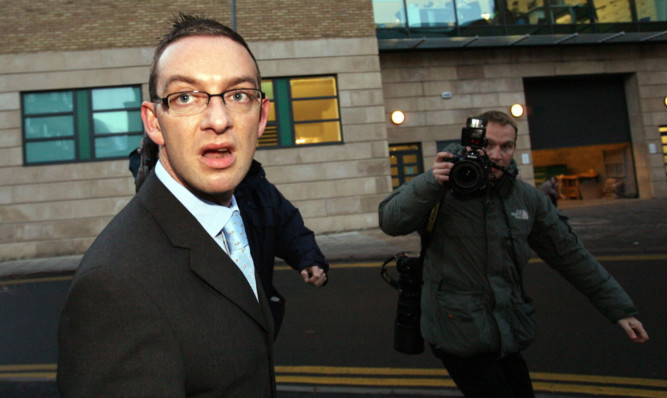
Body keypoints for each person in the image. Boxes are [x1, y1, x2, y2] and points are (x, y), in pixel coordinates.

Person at [57, 14, 304, 397]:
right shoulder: (115, 285)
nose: (219, 120)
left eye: (238, 95)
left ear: (262, 117)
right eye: (185, 97)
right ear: (154, 123)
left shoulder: (238, 220)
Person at [378, 110, 648, 397]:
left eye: (506, 146)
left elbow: (569, 254)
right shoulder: (441, 186)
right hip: (456, 330)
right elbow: (391, 221)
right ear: (472, 143)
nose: (496, 155)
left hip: (506, 331)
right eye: (488, 144)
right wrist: (431, 182)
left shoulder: (527, 199)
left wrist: (619, 308)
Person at [129, 137, 329, 337]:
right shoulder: (172, 192)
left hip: (254, 313)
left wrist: (309, 260)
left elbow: (287, 225)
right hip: (197, 320)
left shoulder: (256, 186)